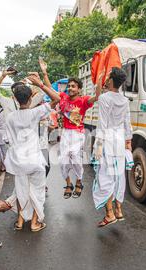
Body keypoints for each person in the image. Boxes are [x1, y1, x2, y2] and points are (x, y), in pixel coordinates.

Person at [4, 73, 60, 232]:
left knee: (21, 190)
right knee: (38, 191)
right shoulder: (36, 112)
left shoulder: (10, 117)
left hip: (18, 161)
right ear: (30, 99)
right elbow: (57, 99)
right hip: (35, 160)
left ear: (15, 99)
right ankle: (35, 223)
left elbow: (8, 139)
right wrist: (41, 84)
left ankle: (20, 222)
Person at [40, 60, 103, 199]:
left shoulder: (83, 101)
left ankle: (79, 182)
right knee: (63, 160)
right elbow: (50, 89)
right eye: (69, 86)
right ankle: (68, 184)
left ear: (79, 89)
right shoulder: (63, 97)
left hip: (78, 133)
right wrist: (45, 72)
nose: (70, 88)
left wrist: (98, 82)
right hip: (65, 133)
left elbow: (97, 97)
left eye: (73, 86)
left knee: (74, 156)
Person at [92, 67, 132, 228]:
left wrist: (98, 146)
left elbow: (102, 123)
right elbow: (127, 123)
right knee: (118, 175)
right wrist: (128, 141)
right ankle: (119, 210)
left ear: (110, 80)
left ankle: (109, 214)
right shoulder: (124, 100)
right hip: (119, 139)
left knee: (105, 177)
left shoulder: (104, 99)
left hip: (107, 139)